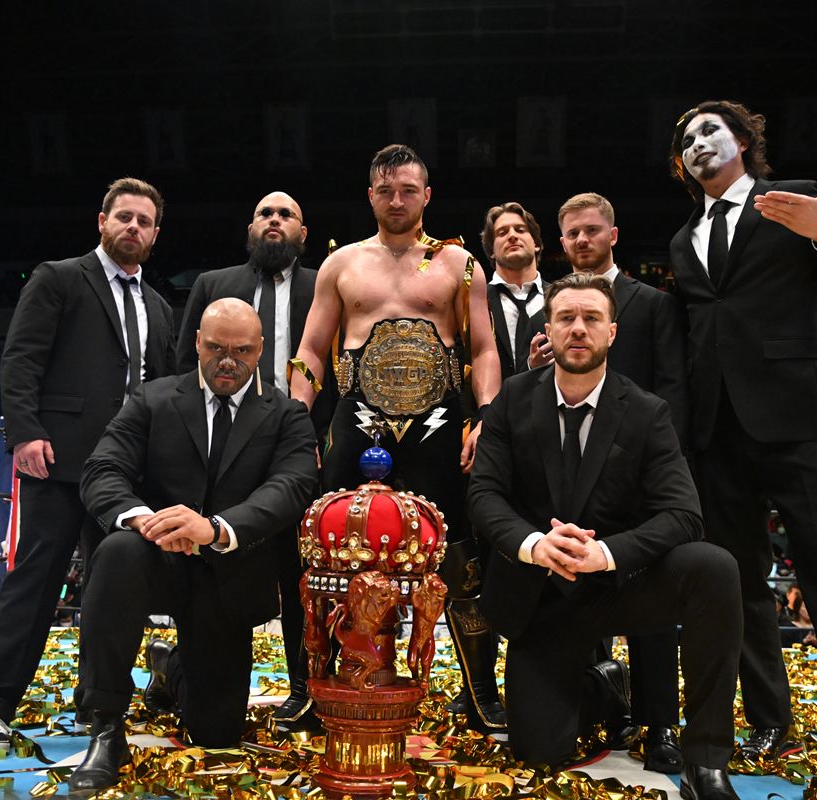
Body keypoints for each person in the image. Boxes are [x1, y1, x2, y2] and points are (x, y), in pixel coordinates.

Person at [668, 100, 817, 791]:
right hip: (716, 433)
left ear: (743, 140)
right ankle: (771, 719)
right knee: (739, 587)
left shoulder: (795, 200)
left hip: (798, 420)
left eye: (710, 130)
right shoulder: (682, 241)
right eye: (686, 140)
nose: (698, 143)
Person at [467, 272, 741, 799]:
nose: (578, 328)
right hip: (540, 598)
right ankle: (603, 684)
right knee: (539, 752)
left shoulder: (647, 411)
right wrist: (534, 545)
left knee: (714, 567)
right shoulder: (511, 400)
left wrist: (606, 553)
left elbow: (684, 514)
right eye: (566, 317)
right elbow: (483, 495)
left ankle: (707, 760)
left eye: (592, 318)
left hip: (618, 587)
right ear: (548, 329)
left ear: (611, 332)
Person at [289, 144, 504, 731]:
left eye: (408, 189)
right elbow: (312, 349)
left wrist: (486, 416)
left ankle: (481, 692)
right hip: (358, 416)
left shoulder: (459, 263)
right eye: (386, 190)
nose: (397, 200)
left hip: (439, 420)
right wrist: (294, 421)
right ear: (370, 196)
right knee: (324, 544)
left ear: (427, 195)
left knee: (459, 553)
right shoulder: (341, 264)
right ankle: (311, 684)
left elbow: (484, 349)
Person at [69, 299, 317, 794]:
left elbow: (292, 486)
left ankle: (168, 667)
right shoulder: (152, 398)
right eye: (216, 348)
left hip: (228, 575)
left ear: (261, 350)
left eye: (242, 351)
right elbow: (102, 469)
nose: (228, 361)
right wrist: (144, 520)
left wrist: (215, 528)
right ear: (197, 343)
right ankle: (106, 723)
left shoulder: (288, 414)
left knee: (217, 732)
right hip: (155, 555)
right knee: (117, 550)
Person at [0, 177, 177, 750]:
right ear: (102, 222)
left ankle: (97, 705)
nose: (133, 227)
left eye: (144, 221)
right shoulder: (59, 277)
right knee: (35, 580)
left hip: (126, 473)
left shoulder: (159, 307)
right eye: (124, 217)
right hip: (57, 459)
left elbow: (163, 392)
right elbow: (21, 358)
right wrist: (25, 433)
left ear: (155, 234)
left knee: (113, 592)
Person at [174, 190, 327, 726]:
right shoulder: (214, 285)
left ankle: (303, 686)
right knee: (211, 560)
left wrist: (321, 438)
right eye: (265, 213)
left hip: (300, 443)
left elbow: (341, 367)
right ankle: (188, 674)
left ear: (303, 233)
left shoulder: (324, 285)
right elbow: (183, 367)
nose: (275, 220)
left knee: (300, 570)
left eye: (287, 214)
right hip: (223, 443)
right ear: (250, 228)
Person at [558, 191, 689, 772]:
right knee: (571, 594)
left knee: (652, 603)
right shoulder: (557, 305)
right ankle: (594, 708)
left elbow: (674, 389)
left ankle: (660, 724)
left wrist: (663, 468)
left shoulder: (652, 304)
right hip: (568, 476)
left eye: (591, 230)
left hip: (639, 478)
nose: (582, 240)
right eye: (572, 233)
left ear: (612, 235)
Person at [480, 202, 552, 380]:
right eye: (502, 233)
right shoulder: (475, 301)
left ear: (536, 243)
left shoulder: (560, 298)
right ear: (491, 251)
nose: (512, 236)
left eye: (520, 230)